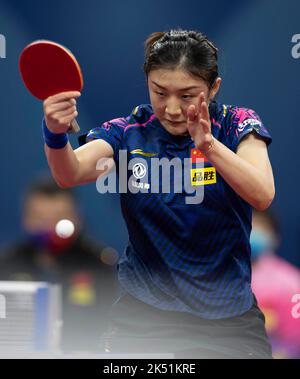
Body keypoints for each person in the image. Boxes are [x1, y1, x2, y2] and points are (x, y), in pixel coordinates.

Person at [41, 29, 275, 358]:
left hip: (227, 319)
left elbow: (262, 194)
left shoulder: (237, 125)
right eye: (160, 92)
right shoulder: (127, 133)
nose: (173, 108)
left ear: (214, 88)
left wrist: (209, 147)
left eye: (188, 95)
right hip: (144, 316)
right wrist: (54, 134)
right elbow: (70, 173)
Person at [0, 177, 118, 353]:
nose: (48, 228)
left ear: (77, 219)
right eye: (39, 219)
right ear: (25, 219)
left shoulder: (100, 265)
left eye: (58, 219)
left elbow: (112, 329)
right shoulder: (6, 263)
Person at [251, 210, 300, 359]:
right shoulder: (216, 275)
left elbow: (294, 342)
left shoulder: (290, 282)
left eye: (261, 227)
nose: (253, 233)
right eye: (250, 226)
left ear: (275, 237)